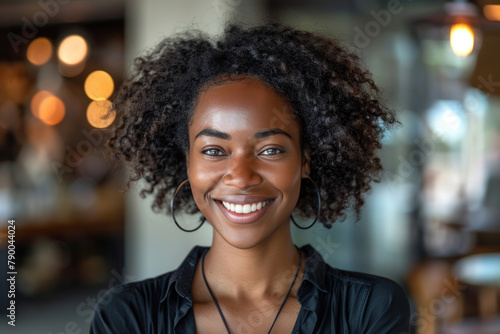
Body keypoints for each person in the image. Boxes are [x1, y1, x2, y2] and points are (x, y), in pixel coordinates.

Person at [90, 20, 411, 333]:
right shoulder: (126, 317)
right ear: (187, 161)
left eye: (270, 150)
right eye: (215, 150)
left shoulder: (369, 309)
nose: (241, 178)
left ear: (305, 161)